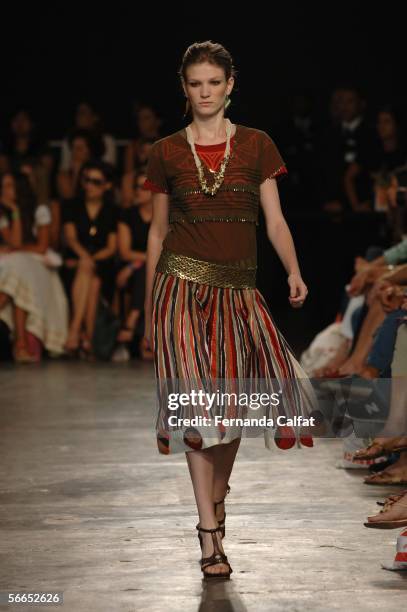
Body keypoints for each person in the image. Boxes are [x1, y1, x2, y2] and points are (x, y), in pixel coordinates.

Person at [143, 41, 316, 579]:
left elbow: (276, 220)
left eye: (213, 82)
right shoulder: (166, 151)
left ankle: (218, 500)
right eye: (195, 83)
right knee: (196, 412)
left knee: (232, 409)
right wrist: (150, 306)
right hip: (179, 288)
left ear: (230, 84)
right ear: (184, 87)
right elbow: (156, 231)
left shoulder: (258, 145)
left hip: (239, 293)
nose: (205, 92)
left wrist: (292, 269)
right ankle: (208, 535)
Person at [0, 171, 68, 361]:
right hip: (18, 264)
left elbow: (41, 247)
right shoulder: (3, 214)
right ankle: (20, 344)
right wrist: (13, 211)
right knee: (17, 273)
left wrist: (17, 249)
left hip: (38, 264)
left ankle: (21, 343)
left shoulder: (39, 211)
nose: (5, 190)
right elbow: (14, 241)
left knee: (18, 267)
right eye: (3, 186)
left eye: (9, 186)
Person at [61, 160, 118, 358]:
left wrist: (89, 259)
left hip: (102, 263)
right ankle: (87, 338)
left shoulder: (112, 210)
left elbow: (111, 247)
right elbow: (70, 238)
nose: (89, 186)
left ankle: (75, 331)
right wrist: (84, 258)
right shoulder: (71, 205)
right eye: (86, 180)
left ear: (107, 185)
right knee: (91, 280)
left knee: (93, 278)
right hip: (75, 260)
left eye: (96, 181)